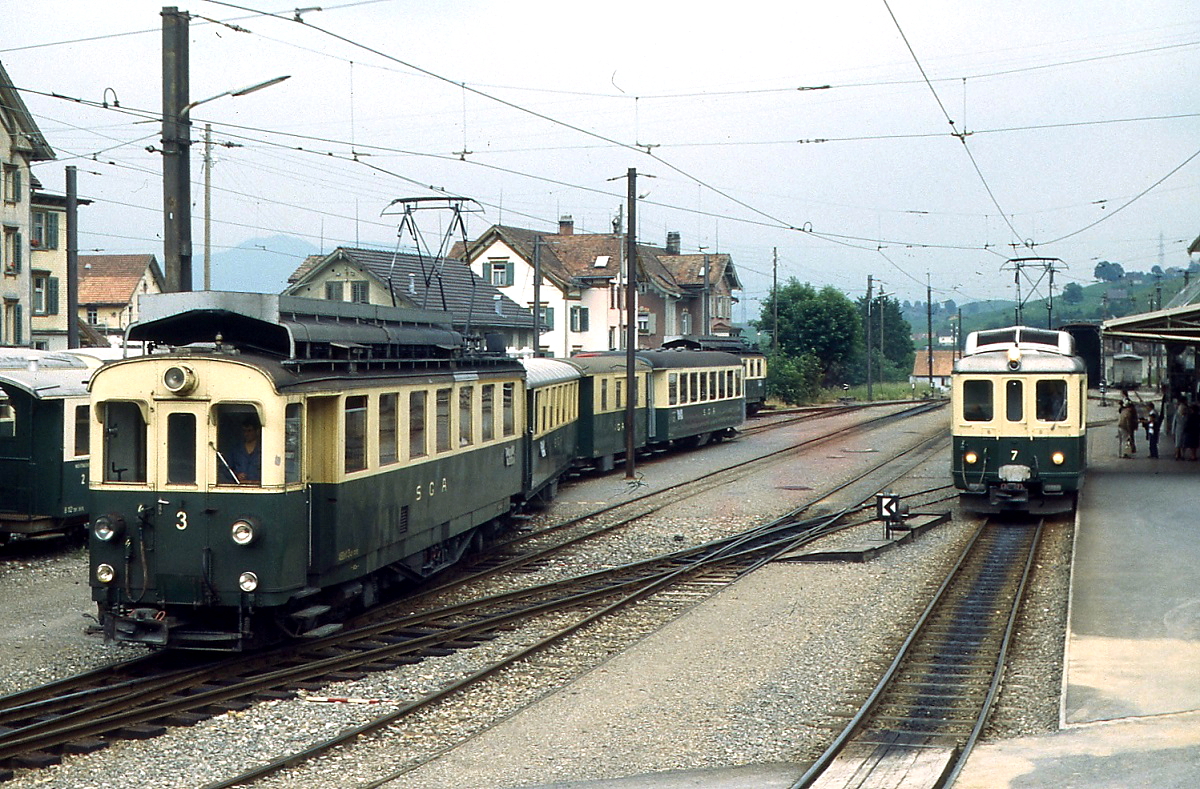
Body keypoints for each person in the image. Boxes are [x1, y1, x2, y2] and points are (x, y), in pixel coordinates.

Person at [229, 417, 262, 483]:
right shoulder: (236, 450)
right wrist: (236, 475)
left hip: (259, 486)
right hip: (240, 486)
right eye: (244, 431)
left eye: (249, 431)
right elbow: (227, 469)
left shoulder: (264, 449)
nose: (246, 434)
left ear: (257, 431)